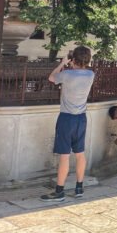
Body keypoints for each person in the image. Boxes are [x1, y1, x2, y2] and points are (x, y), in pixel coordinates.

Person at [41, 46, 95, 202]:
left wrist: (62, 64)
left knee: (64, 156)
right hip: (81, 118)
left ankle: (59, 191)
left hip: (66, 118)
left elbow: (51, 78)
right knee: (80, 153)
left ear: (74, 59)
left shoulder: (66, 74)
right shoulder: (91, 74)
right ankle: (79, 187)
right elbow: (80, 71)